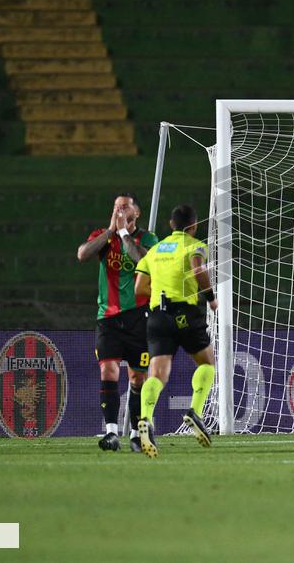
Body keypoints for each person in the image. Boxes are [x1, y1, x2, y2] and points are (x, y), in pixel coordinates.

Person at [77, 193, 158, 452]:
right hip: (108, 318)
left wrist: (123, 234)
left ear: (137, 212)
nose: (119, 210)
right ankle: (111, 432)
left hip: (138, 317)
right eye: (116, 206)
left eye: (124, 206)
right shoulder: (104, 236)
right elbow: (82, 254)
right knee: (108, 371)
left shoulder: (148, 238)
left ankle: (135, 434)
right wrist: (111, 231)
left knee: (137, 378)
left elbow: (143, 261)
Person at [133, 204, 216, 456]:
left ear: (171, 225)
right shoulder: (194, 244)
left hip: (158, 314)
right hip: (185, 313)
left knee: (156, 374)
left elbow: (139, 288)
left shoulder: (155, 250)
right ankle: (195, 412)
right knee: (206, 363)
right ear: (193, 226)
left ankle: (146, 419)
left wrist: (161, 292)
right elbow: (198, 269)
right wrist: (211, 298)